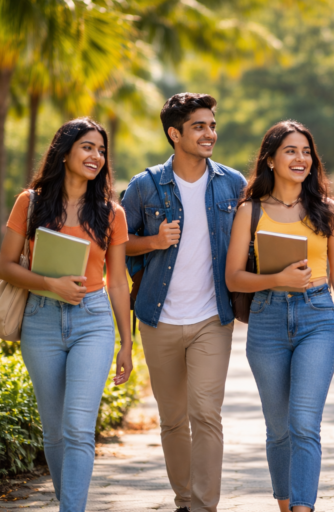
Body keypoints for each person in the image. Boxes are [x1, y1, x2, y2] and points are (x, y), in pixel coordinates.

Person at [0, 118, 133, 512]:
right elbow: (6, 266)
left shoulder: (111, 212)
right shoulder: (32, 202)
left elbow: (118, 282)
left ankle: (70, 508)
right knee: (55, 431)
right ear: (65, 152)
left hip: (92, 320)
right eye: (88, 147)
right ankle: (68, 499)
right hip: (40, 319)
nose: (96, 156)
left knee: (77, 428)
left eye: (101, 150)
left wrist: (127, 342)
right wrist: (49, 284)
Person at [121, 93, 246, 512]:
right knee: (173, 419)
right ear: (175, 134)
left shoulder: (232, 184)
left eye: (212, 124)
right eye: (199, 126)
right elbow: (118, 247)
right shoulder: (145, 186)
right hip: (159, 319)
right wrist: (154, 242)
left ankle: (203, 507)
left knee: (206, 414)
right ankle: (184, 499)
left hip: (213, 317)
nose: (210, 133)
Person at [225, 121, 334, 512]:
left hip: (317, 317)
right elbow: (233, 277)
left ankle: (303, 508)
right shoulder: (250, 211)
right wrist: (276, 278)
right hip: (267, 319)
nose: (301, 158)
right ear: (270, 159)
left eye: (306, 152)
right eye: (290, 151)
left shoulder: (329, 210)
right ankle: (285, 505)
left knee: (304, 424)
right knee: (279, 428)